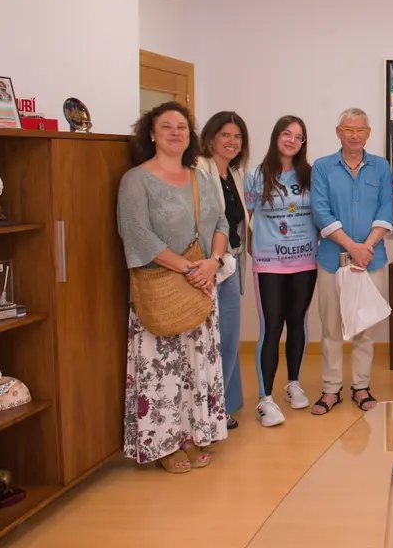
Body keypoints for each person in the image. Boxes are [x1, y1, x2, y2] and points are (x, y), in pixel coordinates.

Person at [117, 101, 229, 473]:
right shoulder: (136, 179)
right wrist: (187, 268)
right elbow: (136, 234)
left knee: (195, 367)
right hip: (162, 287)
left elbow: (222, 223)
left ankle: (193, 434)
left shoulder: (199, 176)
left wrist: (212, 263)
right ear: (151, 133)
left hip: (201, 285)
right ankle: (164, 443)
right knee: (162, 370)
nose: (176, 133)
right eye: (167, 127)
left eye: (182, 127)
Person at [310, 108, 393, 415]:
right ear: (338, 132)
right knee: (331, 327)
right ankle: (331, 388)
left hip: (371, 260)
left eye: (360, 130)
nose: (354, 135)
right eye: (348, 129)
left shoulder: (381, 168)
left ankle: (361, 386)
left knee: (364, 328)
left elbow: (387, 210)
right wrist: (350, 247)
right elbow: (321, 212)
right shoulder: (322, 168)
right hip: (332, 260)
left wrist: (365, 248)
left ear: (368, 133)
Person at [244, 116, 319, 426]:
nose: (291, 140)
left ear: (303, 143)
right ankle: (265, 399)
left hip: (305, 261)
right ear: (276, 136)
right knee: (272, 326)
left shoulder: (311, 176)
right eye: (286, 134)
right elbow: (246, 218)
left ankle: (293, 384)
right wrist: (256, 252)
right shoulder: (256, 177)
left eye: (298, 137)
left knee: (297, 323)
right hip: (270, 263)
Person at [195, 111, 249, 431]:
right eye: (225, 134)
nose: (231, 141)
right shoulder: (198, 171)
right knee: (207, 340)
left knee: (228, 337)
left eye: (237, 136)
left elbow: (238, 221)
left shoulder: (234, 174)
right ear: (211, 137)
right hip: (207, 264)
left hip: (230, 263)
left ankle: (223, 404)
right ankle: (210, 408)